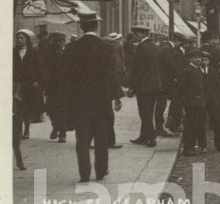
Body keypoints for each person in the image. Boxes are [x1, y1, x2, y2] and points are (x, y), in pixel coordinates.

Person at [62, 13, 122, 182]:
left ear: (81, 27)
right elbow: (112, 74)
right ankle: (101, 171)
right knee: (101, 137)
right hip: (101, 100)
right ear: (96, 26)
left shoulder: (71, 47)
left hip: (79, 101)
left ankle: (84, 173)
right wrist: (117, 96)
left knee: (82, 139)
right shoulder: (106, 47)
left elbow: (66, 77)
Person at [127, 26, 161, 147]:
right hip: (154, 85)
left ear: (142, 34)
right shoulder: (155, 47)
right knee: (149, 111)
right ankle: (144, 136)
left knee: (144, 113)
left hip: (144, 86)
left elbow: (138, 69)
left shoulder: (141, 48)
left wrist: (131, 87)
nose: (134, 36)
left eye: (136, 34)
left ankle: (151, 138)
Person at [13, 29, 44, 140]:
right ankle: (17, 130)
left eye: (22, 38)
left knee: (26, 108)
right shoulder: (13, 52)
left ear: (27, 40)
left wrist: (37, 81)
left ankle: (26, 129)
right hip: (16, 83)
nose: (19, 40)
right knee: (17, 108)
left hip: (29, 84)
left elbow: (39, 68)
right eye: (18, 38)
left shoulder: (33, 52)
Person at [199, 50, 220, 151]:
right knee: (201, 123)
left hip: (213, 101)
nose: (204, 62)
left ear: (209, 61)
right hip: (201, 101)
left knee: (217, 123)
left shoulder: (213, 71)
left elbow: (218, 85)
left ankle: (219, 145)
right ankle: (202, 145)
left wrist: (217, 98)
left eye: (206, 60)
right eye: (202, 60)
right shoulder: (196, 71)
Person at [39, 32, 68, 142]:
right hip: (52, 85)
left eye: (61, 40)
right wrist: (45, 82)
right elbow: (44, 67)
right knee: (50, 108)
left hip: (65, 86)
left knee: (63, 108)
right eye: (56, 41)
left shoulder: (68, 52)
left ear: (64, 41)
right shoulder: (49, 53)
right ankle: (55, 126)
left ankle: (62, 133)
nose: (59, 43)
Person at [179, 48, 207, 156]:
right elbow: (183, 88)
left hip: (198, 102)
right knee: (190, 126)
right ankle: (188, 149)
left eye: (199, 58)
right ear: (190, 59)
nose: (198, 60)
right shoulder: (188, 71)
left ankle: (191, 147)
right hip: (191, 103)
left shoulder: (197, 69)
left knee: (195, 126)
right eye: (195, 58)